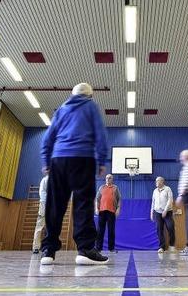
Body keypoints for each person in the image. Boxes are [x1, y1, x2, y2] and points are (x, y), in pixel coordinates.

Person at [40, 83, 109, 266]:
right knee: (83, 204)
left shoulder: (62, 109)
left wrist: (46, 161)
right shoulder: (91, 106)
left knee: (55, 206)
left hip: (58, 160)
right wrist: (101, 161)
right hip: (83, 159)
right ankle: (85, 250)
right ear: (90, 95)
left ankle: (48, 250)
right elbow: (100, 135)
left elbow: (48, 137)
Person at [95, 174, 121, 253]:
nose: (108, 179)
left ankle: (111, 248)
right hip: (102, 211)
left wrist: (118, 209)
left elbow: (119, 199)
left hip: (111, 211)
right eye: (106, 178)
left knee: (111, 230)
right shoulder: (101, 187)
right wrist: (96, 208)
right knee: (100, 231)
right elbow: (97, 199)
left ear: (112, 179)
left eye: (109, 178)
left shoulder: (115, 188)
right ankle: (98, 248)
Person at [150, 176, 176, 253]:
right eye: (156, 181)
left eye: (158, 181)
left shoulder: (168, 189)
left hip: (167, 212)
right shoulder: (155, 191)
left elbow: (170, 200)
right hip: (157, 212)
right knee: (159, 230)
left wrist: (165, 210)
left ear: (162, 181)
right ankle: (162, 247)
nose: (156, 182)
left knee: (170, 227)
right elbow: (153, 202)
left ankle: (171, 245)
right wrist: (151, 212)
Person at [32, 174, 49, 254]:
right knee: (40, 226)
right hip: (44, 204)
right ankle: (36, 247)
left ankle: (47, 247)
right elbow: (42, 193)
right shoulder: (45, 180)